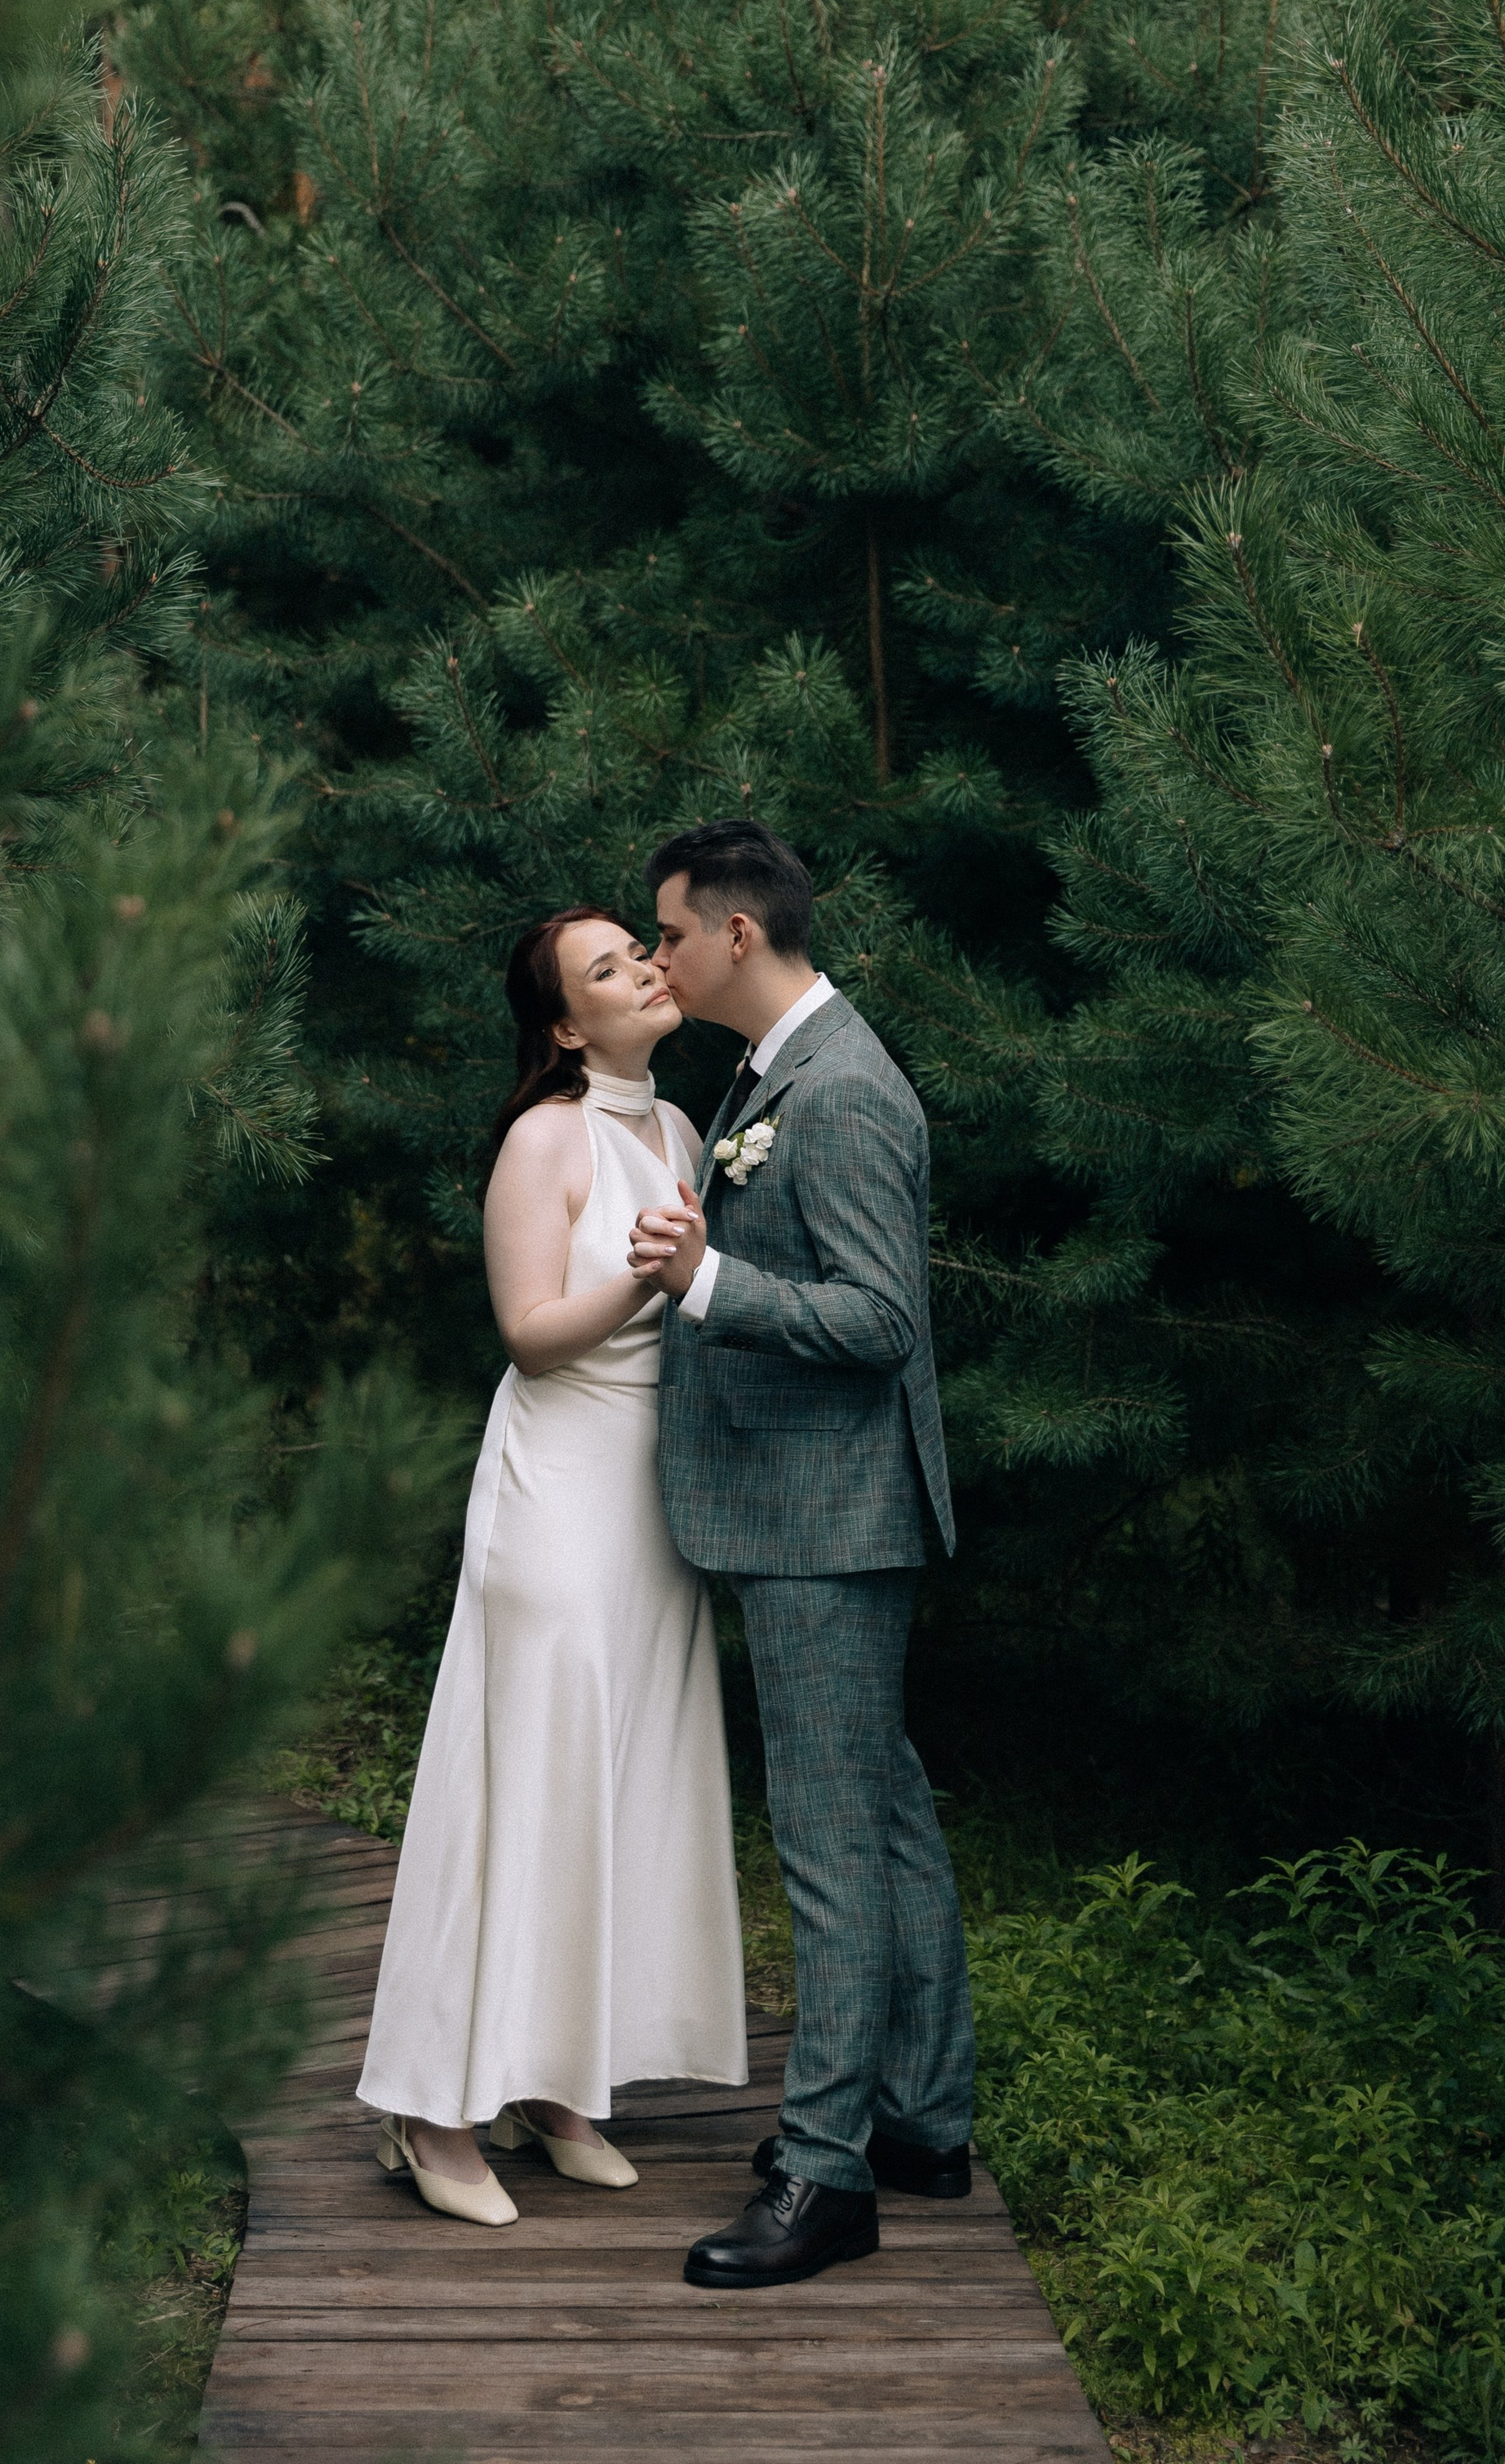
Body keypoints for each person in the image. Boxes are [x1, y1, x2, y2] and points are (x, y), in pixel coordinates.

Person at [356, 906, 748, 2226]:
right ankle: (427, 2110)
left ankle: (554, 2085)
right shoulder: (546, 1136)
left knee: (619, 1785)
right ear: (567, 1027)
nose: (642, 964)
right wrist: (658, 1282)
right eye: (604, 968)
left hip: (654, 1501)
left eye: (640, 946)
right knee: (520, 1789)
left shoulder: (684, 1129)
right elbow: (529, 1335)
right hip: (559, 1496)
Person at [627, 819, 975, 2292]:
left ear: (739, 938)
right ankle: (918, 2118)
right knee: (882, 1815)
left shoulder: (838, 1097)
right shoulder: (780, 1071)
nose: (659, 958)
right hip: (820, 1508)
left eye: (671, 934)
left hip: (828, 1522)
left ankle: (825, 2176)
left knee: (828, 1848)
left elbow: (880, 1322)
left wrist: (710, 1282)